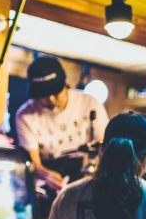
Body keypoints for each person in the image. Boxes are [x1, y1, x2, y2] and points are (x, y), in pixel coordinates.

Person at [15, 55, 109, 193]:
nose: (51, 100)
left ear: (65, 83)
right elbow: (34, 163)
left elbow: (104, 143)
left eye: (56, 93)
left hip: (86, 176)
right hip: (48, 184)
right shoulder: (25, 115)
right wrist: (47, 175)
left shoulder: (89, 102)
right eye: (44, 95)